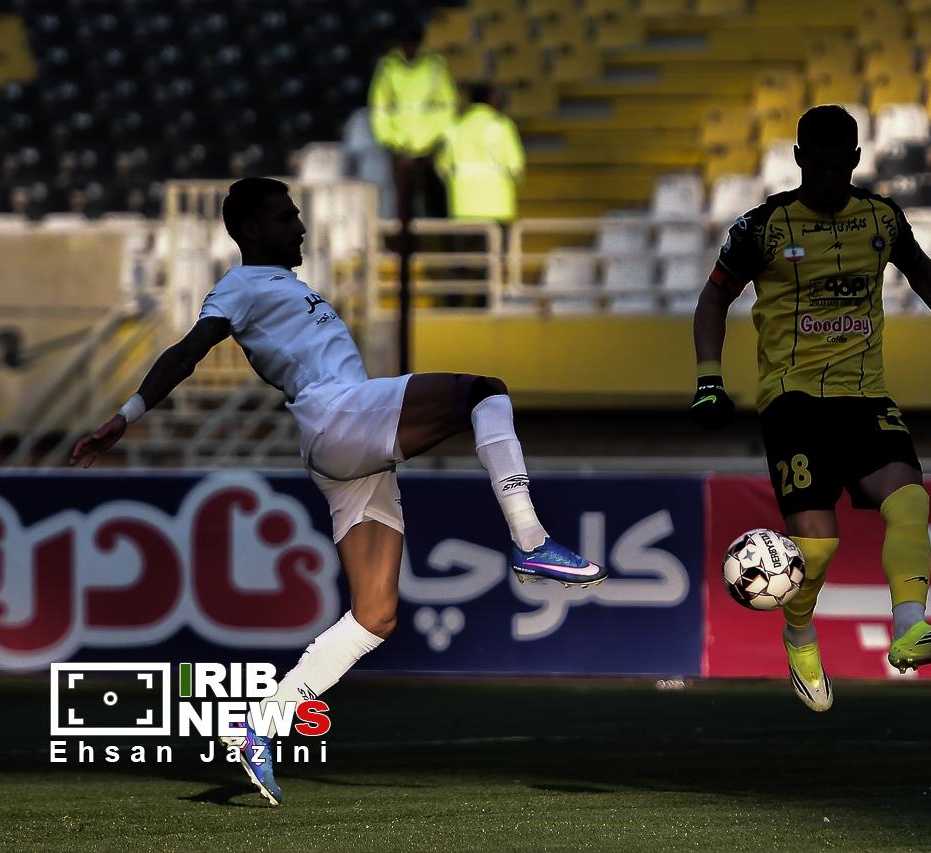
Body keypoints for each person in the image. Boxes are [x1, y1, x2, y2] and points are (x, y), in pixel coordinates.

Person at [69, 177, 606, 805]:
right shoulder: (240, 286)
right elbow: (186, 353)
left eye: (296, 214)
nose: (299, 226)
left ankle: (261, 723)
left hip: (342, 445)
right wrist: (125, 416)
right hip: (339, 417)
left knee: (375, 616)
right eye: (285, 217)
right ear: (249, 231)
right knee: (485, 392)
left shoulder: (285, 285)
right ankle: (532, 541)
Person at [690, 106, 931, 713]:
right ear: (798, 159)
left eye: (838, 167)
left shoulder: (882, 219)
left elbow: (921, 269)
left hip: (866, 395)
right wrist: (709, 379)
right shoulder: (762, 227)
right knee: (817, 548)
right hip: (792, 400)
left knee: (910, 500)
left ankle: (910, 630)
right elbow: (713, 299)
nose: (826, 178)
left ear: (856, 160)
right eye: (815, 166)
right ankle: (799, 634)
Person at [368, 22, 457, 220]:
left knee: (434, 197)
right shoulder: (388, 68)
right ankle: (404, 237)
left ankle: (436, 235)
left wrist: (433, 140)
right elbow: (379, 109)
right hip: (399, 146)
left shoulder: (435, 66)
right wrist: (392, 142)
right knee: (402, 202)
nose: (411, 47)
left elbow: (447, 106)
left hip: (430, 147)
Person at [436, 84, 525, 225]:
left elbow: (442, 168)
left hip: (462, 207)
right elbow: (516, 168)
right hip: (497, 207)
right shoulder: (501, 125)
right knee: (496, 239)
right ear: (491, 99)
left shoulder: (455, 127)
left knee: (465, 239)